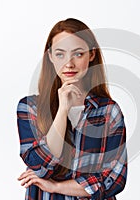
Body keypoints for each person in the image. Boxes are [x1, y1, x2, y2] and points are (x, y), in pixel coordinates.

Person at [16, 18, 127, 200]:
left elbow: (114, 179)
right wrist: (63, 110)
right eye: (60, 54)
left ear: (91, 55)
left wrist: (56, 186)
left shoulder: (108, 111)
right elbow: (39, 166)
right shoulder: (29, 107)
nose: (69, 64)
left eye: (78, 54)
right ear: (50, 56)